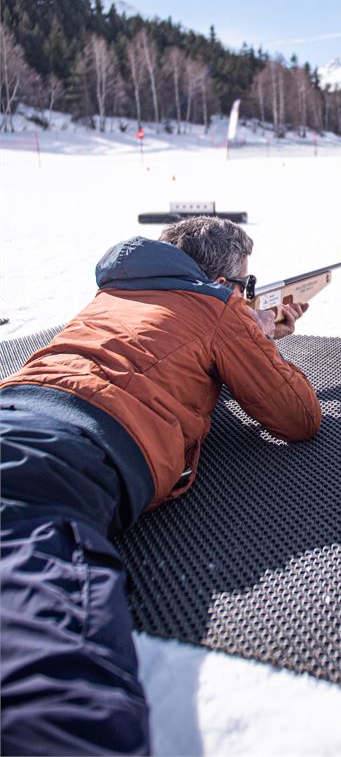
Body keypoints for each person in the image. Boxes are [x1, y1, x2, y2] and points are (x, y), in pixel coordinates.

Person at [0, 216, 322, 756]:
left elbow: (157, 354)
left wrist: (249, 329)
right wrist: (252, 336)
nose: (244, 294)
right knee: (57, 695)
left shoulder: (111, 296)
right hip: (60, 456)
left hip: (19, 412)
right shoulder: (217, 307)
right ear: (224, 283)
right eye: (244, 284)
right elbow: (298, 417)